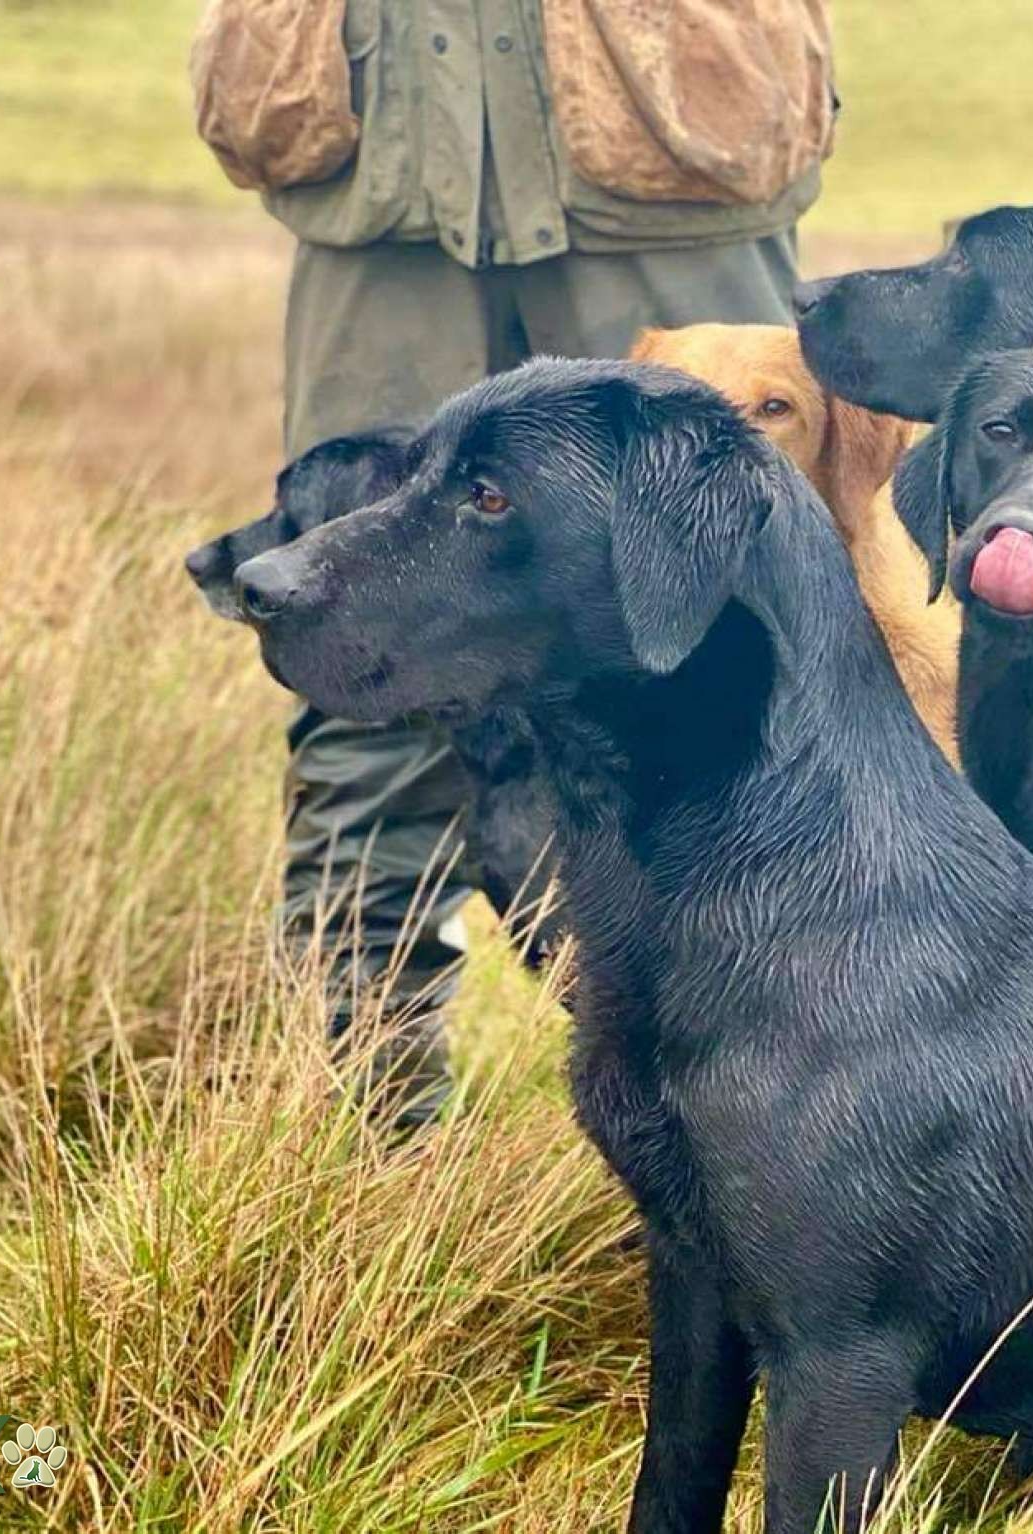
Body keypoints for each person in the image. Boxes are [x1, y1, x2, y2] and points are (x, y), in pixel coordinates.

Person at [193, 0, 836, 1125]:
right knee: (349, 641)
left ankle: (782, 1144)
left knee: (730, 654)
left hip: (673, 141)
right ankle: (359, 1142)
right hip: (374, 163)